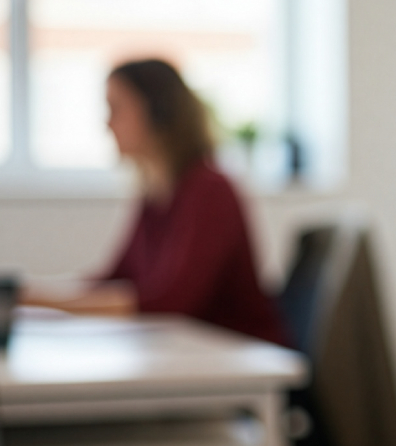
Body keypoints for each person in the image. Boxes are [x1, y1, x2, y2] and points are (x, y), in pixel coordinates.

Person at [28, 58, 288, 346]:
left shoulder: (210, 191)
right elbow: (115, 279)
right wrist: (35, 294)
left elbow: (168, 303)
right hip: (188, 354)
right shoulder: (156, 193)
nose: (107, 125)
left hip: (241, 361)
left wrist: (47, 302)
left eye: (115, 109)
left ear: (157, 114)